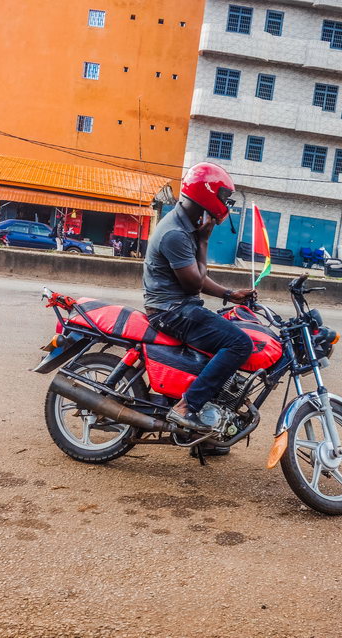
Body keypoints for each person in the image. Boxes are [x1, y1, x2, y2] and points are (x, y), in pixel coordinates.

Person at [143, 162, 255, 453]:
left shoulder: (184, 225)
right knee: (240, 344)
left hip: (179, 306)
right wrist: (204, 240)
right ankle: (186, 406)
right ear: (207, 194)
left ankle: (207, 436)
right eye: (223, 197)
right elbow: (194, 283)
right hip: (171, 311)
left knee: (229, 336)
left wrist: (230, 295)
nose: (225, 204)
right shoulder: (177, 234)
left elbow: (195, 278)